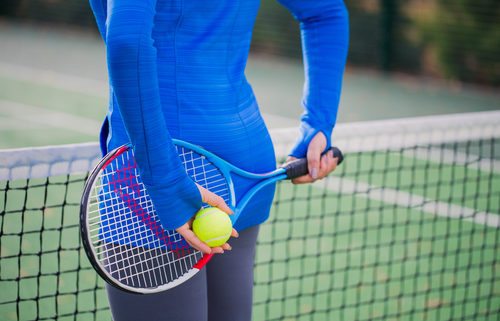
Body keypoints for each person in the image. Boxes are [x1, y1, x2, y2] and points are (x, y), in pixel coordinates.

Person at [89, 0, 349, 320]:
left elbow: (128, 40)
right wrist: (318, 125)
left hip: (157, 179)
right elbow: (325, 11)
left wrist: (166, 182)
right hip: (243, 162)